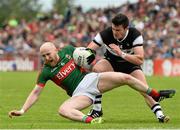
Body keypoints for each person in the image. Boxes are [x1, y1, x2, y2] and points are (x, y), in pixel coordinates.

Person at [8, 42, 175, 124]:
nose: (46, 58)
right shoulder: (45, 71)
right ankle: (90, 120)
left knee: (126, 77)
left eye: (48, 54)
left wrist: (88, 57)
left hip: (91, 80)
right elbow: (36, 92)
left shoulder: (67, 50)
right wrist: (23, 110)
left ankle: (155, 94)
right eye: (43, 56)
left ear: (56, 50)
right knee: (63, 109)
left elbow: (86, 55)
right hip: (80, 94)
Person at [86, 13, 174, 123]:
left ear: (126, 28)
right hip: (111, 62)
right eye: (113, 29)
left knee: (144, 89)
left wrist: (121, 53)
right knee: (96, 70)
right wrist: (89, 53)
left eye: (118, 30)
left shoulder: (135, 35)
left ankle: (160, 115)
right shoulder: (106, 33)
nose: (115, 32)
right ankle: (97, 110)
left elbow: (140, 60)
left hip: (130, 65)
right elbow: (89, 49)